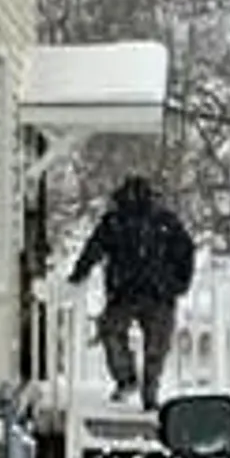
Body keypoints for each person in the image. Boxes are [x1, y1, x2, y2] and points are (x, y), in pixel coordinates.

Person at [71, 173, 196, 407]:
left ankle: (149, 393)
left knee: (155, 347)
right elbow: (94, 248)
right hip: (124, 293)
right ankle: (127, 379)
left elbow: (186, 251)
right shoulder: (116, 221)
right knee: (112, 332)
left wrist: (178, 283)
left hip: (158, 294)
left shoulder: (165, 222)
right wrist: (79, 273)